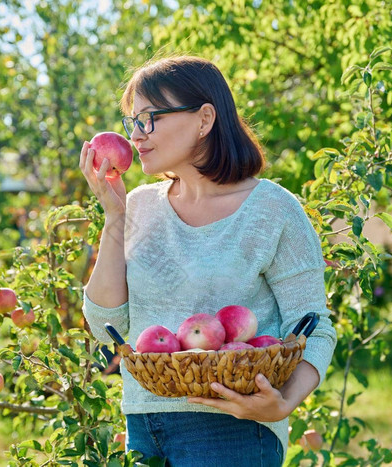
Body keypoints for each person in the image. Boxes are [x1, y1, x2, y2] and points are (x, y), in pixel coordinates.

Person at [79, 55, 337, 467]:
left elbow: (313, 324)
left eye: (149, 118)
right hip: (144, 424)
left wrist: (282, 404)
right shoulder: (139, 207)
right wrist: (115, 217)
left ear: (204, 119)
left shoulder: (271, 209)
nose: (136, 136)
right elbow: (106, 323)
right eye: (132, 121)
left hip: (233, 428)